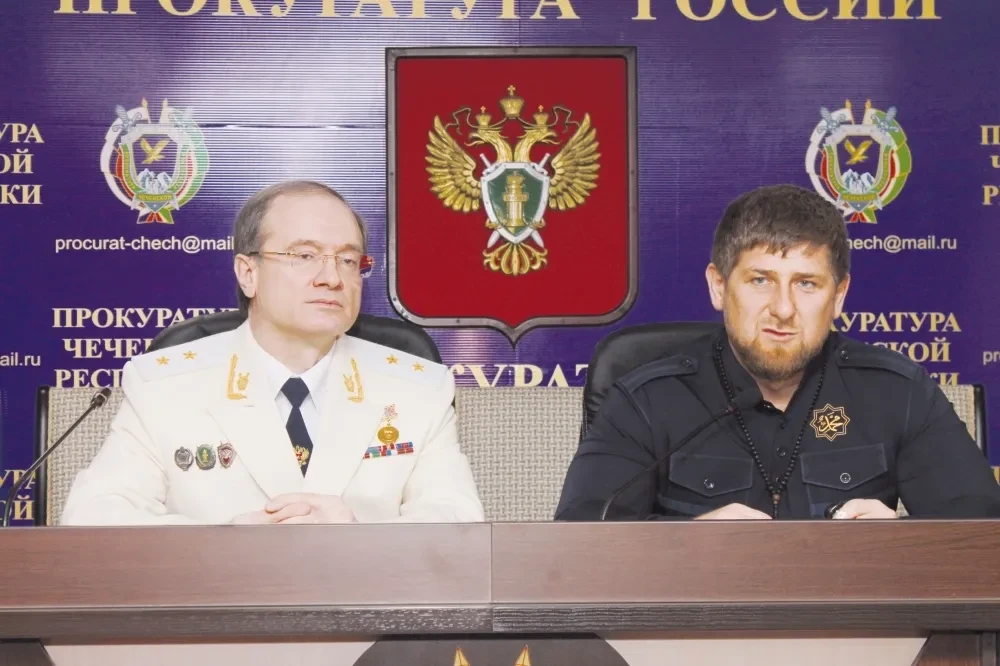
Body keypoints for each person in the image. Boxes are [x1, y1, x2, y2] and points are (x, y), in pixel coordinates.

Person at [555, 184, 1000, 521]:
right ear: (718, 286)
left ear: (839, 296)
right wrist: (687, 547)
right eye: (760, 280)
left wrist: (899, 542)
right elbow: (580, 543)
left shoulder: (897, 391)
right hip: (698, 619)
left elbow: (982, 536)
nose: (783, 309)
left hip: (852, 617)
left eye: (806, 284)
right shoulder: (646, 400)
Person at [61, 180, 484, 525]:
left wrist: (359, 538)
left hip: (369, 602)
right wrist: (226, 543)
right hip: (217, 601)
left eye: (348, 260)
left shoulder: (419, 388)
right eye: (305, 255)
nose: (331, 278)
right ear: (248, 273)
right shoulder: (163, 385)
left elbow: (459, 524)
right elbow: (93, 517)